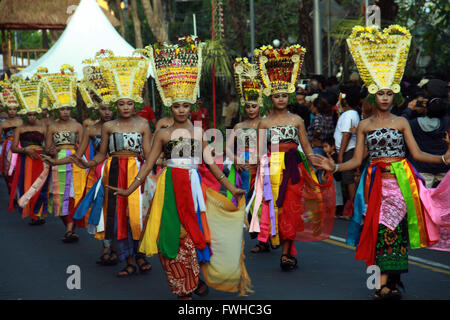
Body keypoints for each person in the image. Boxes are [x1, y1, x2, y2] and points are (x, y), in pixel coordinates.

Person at [314, 25, 450, 300]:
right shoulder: (364, 125)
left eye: (390, 93)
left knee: (396, 231)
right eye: (381, 93)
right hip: (375, 183)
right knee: (379, 230)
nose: (385, 97)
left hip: (401, 182)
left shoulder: (402, 122)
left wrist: (444, 158)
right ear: (374, 95)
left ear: (394, 95)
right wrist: (336, 167)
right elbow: (358, 160)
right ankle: (384, 283)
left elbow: (418, 154)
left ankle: (387, 283)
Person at [109, 36, 248, 299]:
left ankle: (193, 279)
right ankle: (182, 288)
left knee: (193, 235)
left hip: (193, 188)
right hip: (168, 187)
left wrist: (232, 188)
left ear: (191, 106)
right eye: (176, 105)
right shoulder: (162, 133)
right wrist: (129, 190)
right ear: (169, 106)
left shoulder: (199, 132)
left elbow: (214, 167)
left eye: (185, 105)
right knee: (168, 238)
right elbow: (148, 165)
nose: (181, 109)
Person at [249, 43, 335, 271]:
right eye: (276, 96)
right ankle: (282, 246)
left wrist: (321, 163)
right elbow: (259, 152)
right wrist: (252, 170)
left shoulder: (297, 120)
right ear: (270, 98)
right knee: (275, 208)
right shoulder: (264, 122)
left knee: (292, 208)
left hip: (294, 168)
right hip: (271, 170)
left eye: (284, 95)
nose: (281, 99)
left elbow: (307, 149)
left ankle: (287, 252)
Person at [69, 49, 153, 277]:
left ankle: (140, 255)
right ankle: (127, 260)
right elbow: (101, 155)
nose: (126, 107)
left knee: (138, 214)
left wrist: (150, 173)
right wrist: (87, 164)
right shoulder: (108, 127)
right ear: (116, 104)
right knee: (118, 216)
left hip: (136, 172)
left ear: (135, 103)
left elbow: (148, 155)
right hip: (113, 172)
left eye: (129, 103)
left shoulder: (144, 125)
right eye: (122, 104)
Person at [41, 65, 87, 243]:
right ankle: (68, 225)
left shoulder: (77, 125)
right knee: (60, 195)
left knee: (75, 195)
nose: (65, 112)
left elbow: (82, 145)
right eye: (62, 109)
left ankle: (70, 229)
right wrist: (51, 150)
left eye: (68, 108)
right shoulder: (51, 126)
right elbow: (47, 147)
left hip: (75, 160)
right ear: (57, 110)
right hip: (58, 161)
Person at [8, 77, 49, 225]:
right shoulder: (20, 128)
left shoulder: (43, 128)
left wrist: (49, 149)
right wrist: (25, 150)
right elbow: (13, 148)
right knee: (27, 185)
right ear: (25, 114)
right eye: (29, 114)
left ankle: (39, 213)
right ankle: (32, 213)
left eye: (34, 114)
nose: (32, 117)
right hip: (26, 159)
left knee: (41, 185)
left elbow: (48, 146)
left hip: (40, 158)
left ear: (37, 113)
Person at [225, 57, 264, 208]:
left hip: (260, 167)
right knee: (243, 197)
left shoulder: (265, 124)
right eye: (248, 107)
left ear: (260, 106)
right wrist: (235, 159)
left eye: (253, 106)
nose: (250, 110)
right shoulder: (239, 126)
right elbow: (227, 148)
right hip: (242, 167)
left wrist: (260, 160)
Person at [403, 98, 450, 187]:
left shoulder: (414, 123)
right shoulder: (446, 122)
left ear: (427, 109)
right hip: (443, 168)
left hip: (422, 169)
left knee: (423, 199)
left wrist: (409, 109)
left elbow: (401, 123)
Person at [334, 84, 361, 214]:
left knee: (349, 178)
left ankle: (353, 206)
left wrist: (340, 154)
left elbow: (346, 134)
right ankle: (352, 206)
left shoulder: (350, 114)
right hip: (347, 150)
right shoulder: (351, 113)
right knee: (347, 179)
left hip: (347, 150)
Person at [0, 81, 23, 193]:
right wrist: (6, 141)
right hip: (7, 147)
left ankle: (17, 191)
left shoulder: (21, 121)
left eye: (14, 109)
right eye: (10, 109)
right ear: (7, 110)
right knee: (7, 168)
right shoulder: (3, 124)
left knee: (18, 168)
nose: (12, 111)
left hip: (19, 146)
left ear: (17, 110)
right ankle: (11, 191)